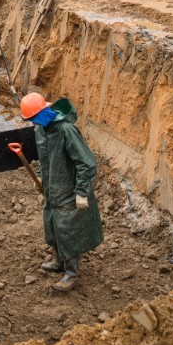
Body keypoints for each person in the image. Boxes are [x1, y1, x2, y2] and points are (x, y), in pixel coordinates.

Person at [21, 92, 103, 291]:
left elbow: (87, 163)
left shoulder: (66, 130)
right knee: (52, 224)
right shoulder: (41, 129)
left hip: (68, 190)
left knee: (68, 230)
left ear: (42, 113)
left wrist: (81, 192)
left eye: (33, 119)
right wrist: (40, 174)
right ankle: (58, 261)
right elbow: (44, 155)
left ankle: (71, 273)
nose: (32, 123)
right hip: (52, 189)